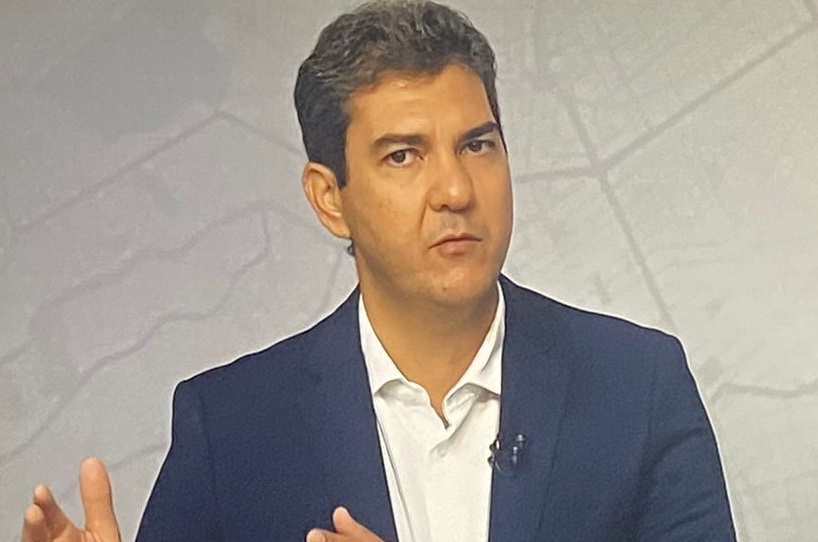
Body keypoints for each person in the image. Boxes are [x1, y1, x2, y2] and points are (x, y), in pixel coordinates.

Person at [20, 1, 737, 541]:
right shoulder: (233, 428)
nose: (454, 189)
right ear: (329, 199)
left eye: (477, 145)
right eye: (403, 155)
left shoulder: (636, 387)